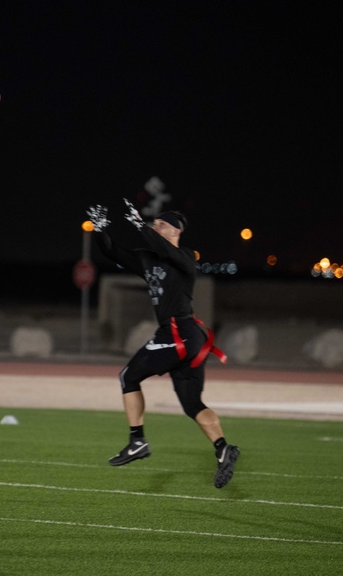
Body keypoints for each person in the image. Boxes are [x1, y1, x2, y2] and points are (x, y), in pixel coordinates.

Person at [86, 198, 240, 488]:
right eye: (154, 223)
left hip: (178, 334)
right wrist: (100, 228)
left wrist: (139, 225)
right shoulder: (148, 257)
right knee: (191, 403)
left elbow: (163, 249)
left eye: (161, 224)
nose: (154, 226)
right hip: (187, 337)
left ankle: (137, 441)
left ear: (175, 231)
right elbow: (110, 250)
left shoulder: (185, 258)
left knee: (127, 376)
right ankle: (223, 449)